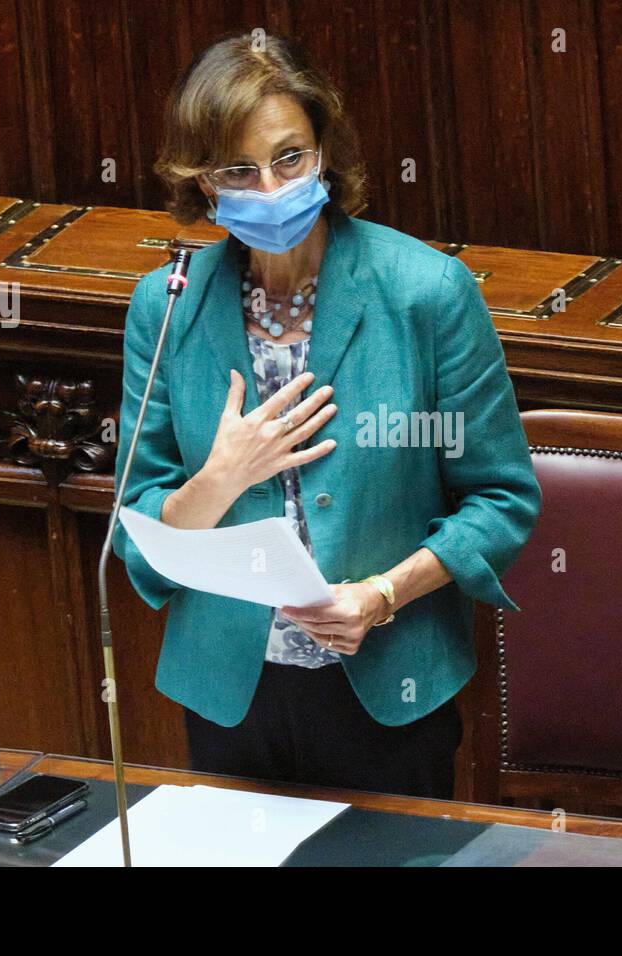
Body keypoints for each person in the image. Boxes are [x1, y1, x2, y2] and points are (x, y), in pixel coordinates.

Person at [112, 31, 540, 800]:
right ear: (204, 184)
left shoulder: (427, 293)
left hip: (386, 688)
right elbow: (137, 530)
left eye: (290, 158)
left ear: (323, 155)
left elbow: (502, 500)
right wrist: (220, 477)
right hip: (230, 693)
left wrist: (381, 596)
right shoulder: (167, 307)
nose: (271, 188)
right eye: (240, 170)